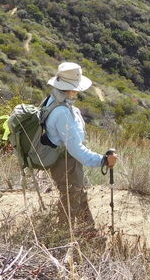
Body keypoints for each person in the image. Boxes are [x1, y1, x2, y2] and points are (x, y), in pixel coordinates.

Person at [43, 62, 117, 233]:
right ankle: (63, 239)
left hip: (65, 161)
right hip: (67, 164)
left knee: (78, 196)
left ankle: (90, 234)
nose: (77, 92)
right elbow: (76, 150)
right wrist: (103, 160)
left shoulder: (52, 100)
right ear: (70, 89)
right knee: (71, 201)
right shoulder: (62, 113)